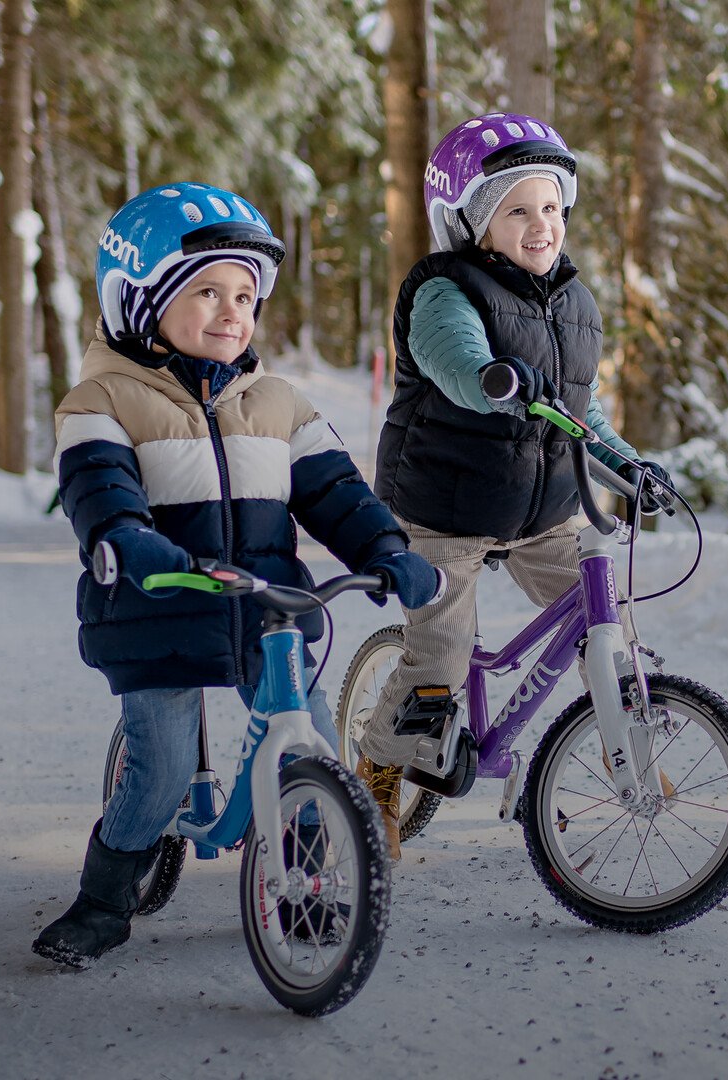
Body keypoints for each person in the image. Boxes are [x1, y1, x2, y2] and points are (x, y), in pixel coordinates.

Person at [33, 182, 439, 966]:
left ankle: (310, 894)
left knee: (315, 749)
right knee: (163, 769)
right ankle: (103, 903)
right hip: (156, 604)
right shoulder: (104, 399)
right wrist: (126, 541)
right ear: (138, 301)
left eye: (246, 296)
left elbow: (337, 493)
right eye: (208, 292)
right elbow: (98, 489)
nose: (232, 312)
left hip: (266, 613)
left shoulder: (278, 403)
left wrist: (386, 551)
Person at [358, 114, 671, 859]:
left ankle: (619, 736)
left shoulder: (575, 305)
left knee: (608, 620)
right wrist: (492, 379)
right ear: (473, 221)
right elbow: (457, 363)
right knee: (440, 650)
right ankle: (374, 769)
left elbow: (580, 408)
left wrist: (629, 466)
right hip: (444, 507)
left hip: (539, 509)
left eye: (554, 208)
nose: (543, 225)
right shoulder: (441, 290)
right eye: (519, 209)